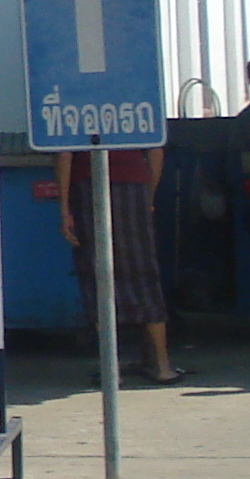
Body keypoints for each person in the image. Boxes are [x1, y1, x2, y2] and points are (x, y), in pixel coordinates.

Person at [52, 142, 182, 384]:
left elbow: (64, 155)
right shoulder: (135, 105)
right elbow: (156, 150)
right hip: (135, 186)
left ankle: (113, 370)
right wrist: (148, 196)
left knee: (98, 276)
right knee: (144, 272)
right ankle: (162, 366)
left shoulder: (76, 106)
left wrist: (64, 209)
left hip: (89, 187)